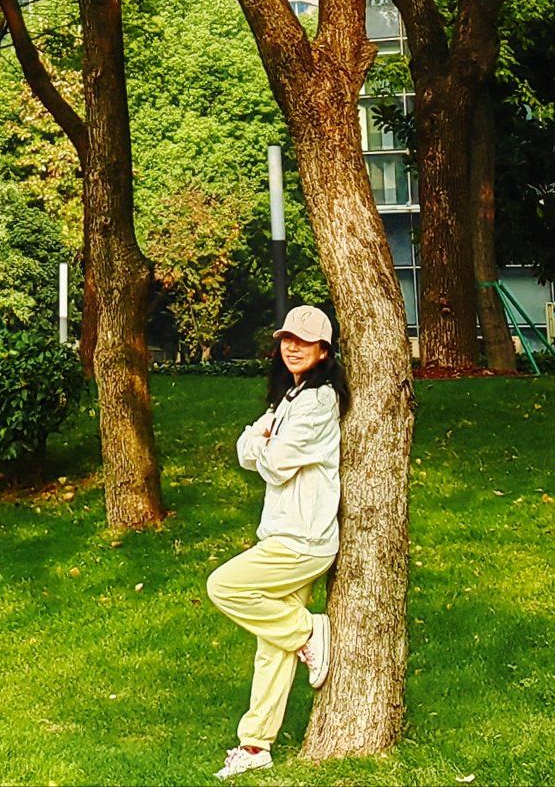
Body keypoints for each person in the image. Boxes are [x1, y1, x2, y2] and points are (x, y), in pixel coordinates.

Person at [205, 302, 345, 777]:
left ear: (323, 350)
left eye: (304, 342)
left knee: (224, 586)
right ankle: (255, 746)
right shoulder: (290, 396)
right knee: (272, 646)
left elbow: (274, 461)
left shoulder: (320, 400)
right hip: (285, 532)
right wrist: (260, 444)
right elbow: (247, 449)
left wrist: (261, 445)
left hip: (304, 540)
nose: (292, 348)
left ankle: (309, 631)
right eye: (287, 339)